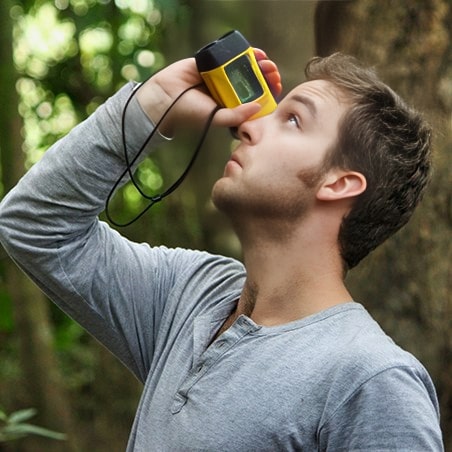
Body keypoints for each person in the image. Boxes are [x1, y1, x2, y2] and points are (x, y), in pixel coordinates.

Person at [0, 42, 444, 450]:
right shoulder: (190, 293)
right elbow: (36, 227)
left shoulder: (371, 381)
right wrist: (152, 106)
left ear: (339, 183)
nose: (247, 127)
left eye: (292, 119)